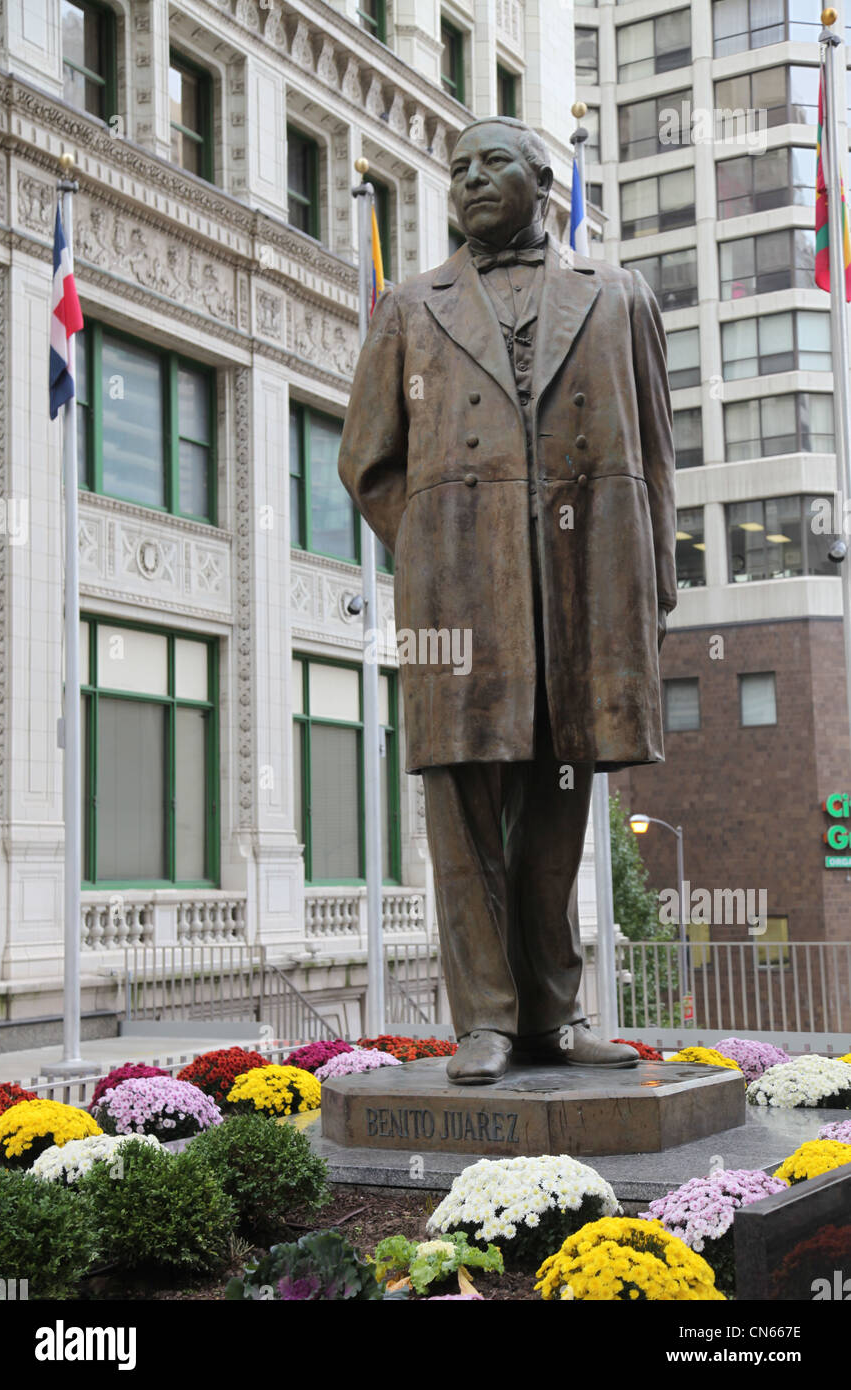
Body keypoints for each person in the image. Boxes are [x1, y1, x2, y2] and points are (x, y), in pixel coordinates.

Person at [338, 118, 676, 1084]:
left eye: (492, 164)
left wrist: (652, 586)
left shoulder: (618, 296)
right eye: (457, 169)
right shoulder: (408, 305)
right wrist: (445, 550)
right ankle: (485, 1019)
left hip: (581, 595)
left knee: (561, 799)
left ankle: (554, 1018)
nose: (471, 180)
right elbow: (368, 461)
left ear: (544, 181)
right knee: (461, 806)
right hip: (458, 605)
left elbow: (654, 453)